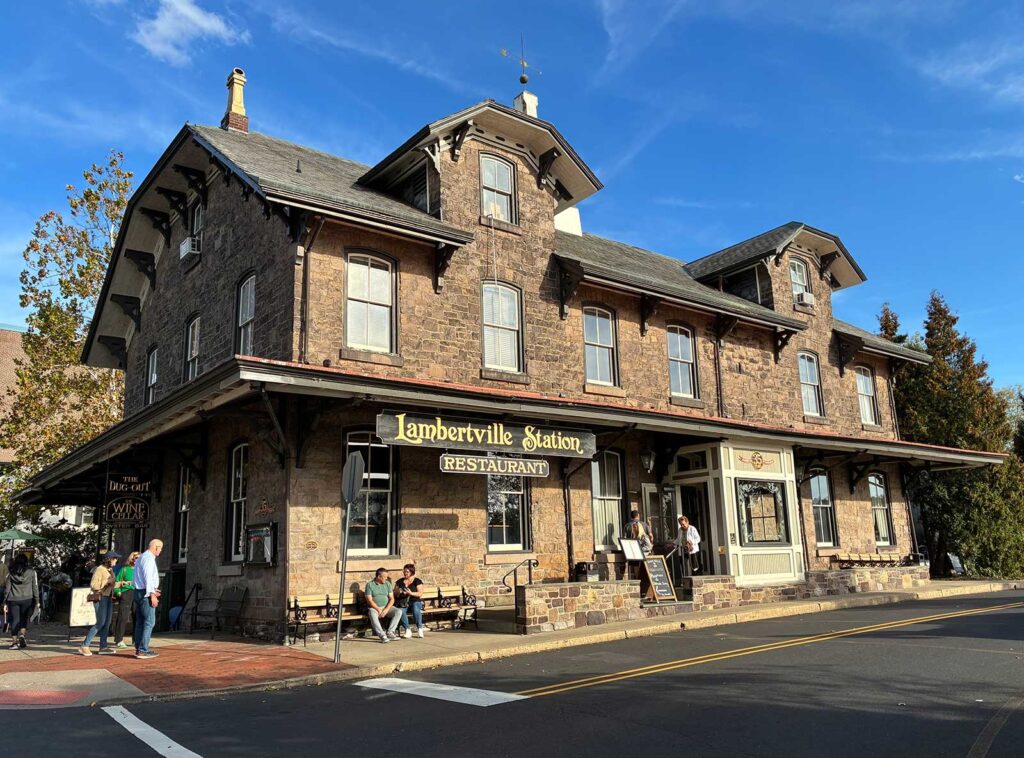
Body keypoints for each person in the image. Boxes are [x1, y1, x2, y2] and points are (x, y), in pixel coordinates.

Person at [80, 550, 119, 656]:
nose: (116, 560)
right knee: (100, 622)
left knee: (107, 623)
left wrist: (121, 583)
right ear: (109, 560)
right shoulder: (99, 569)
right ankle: (85, 645)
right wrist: (107, 582)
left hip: (109, 598)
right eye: (115, 558)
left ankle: (103, 646)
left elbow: (111, 585)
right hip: (100, 598)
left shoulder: (110, 570)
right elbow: (94, 585)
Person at [133, 539, 163, 660]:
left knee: (141, 621)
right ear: (156, 547)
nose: (161, 551)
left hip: (139, 592)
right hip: (145, 593)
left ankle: (139, 648)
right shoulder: (148, 558)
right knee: (150, 621)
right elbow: (148, 577)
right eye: (160, 548)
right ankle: (143, 649)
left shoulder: (141, 558)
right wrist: (152, 595)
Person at [4, 554, 39, 649]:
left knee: (14, 620)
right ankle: (22, 635)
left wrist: (4, 602)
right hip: (27, 598)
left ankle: (14, 643)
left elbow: (7, 589)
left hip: (13, 598)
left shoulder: (11, 572)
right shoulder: (32, 572)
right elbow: (35, 587)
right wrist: (37, 601)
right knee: (24, 618)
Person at [364, 567, 402, 643]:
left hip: (386, 607)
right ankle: (382, 635)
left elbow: (392, 599)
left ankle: (390, 632)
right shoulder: (370, 585)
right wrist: (378, 609)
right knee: (371, 612)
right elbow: (369, 600)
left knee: (398, 611)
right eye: (384, 577)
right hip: (375, 608)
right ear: (378, 577)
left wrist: (386, 609)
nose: (386, 578)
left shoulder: (387, 584)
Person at [113, 551, 140, 649]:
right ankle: (119, 639)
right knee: (122, 616)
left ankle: (136, 639)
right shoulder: (125, 569)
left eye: (139, 558)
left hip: (137, 594)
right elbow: (117, 581)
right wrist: (118, 592)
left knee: (137, 616)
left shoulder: (140, 570)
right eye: (136, 558)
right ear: (131, 559)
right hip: (126, 593)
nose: (137, 560)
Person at [394, 563, 427, 639]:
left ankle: (419, 628)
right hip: (403, 602)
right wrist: (399, 592)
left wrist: (410, 593)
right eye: (404, 571)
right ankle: (407, 630)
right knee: (401, 610)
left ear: (411, 572)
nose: (405, 573)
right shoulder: (399, 582)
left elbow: (420, 593)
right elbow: (394, 593)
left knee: (416, 608)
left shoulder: (417, 581)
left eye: (407, 572)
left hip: (415, 601)